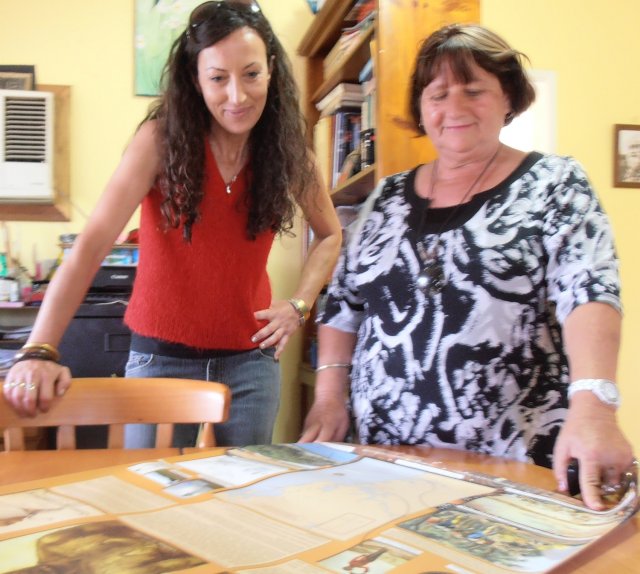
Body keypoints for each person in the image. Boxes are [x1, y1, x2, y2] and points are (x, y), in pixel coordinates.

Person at [300, 23, 634, 510]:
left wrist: (595, 406)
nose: (453, 107)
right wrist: (329, 395)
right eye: (438, 94)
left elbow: (589, 291)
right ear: (422, 109)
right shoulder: (386, 197)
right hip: (383, 463)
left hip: (512, 466)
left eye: (473, 90)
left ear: (508, 99)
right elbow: (344, 304)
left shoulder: (557, 184)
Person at [2, 1, 341, 447]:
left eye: (251, 74)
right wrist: (39, 350)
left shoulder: (289, 152)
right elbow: (90, 246)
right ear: (195, 79)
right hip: (159, 361)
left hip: (251, 364)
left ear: (272, 69)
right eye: (218, 77)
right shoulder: (159, 142)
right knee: (149, 498)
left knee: (239, 499)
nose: (237, 96)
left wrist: (299, 306)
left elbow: (331, 234)